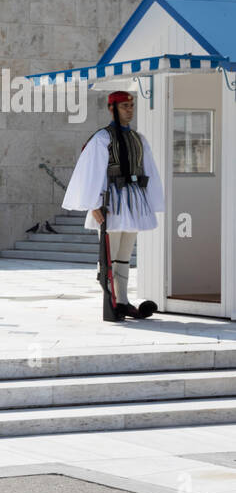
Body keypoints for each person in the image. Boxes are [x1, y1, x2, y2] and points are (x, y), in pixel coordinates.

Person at [62, 90, 164, 320]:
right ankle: (113, 302)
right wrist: (93, 204)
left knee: (125, 255)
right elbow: (91, 172)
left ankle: (124, 301)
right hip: (112, 202)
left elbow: (150, 172)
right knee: (110, 255)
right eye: (124, 106)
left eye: (131, 105)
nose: (130, 110)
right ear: (112, 109)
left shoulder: (139, 138)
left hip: (134, 202)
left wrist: (151, 201)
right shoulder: (102, 138)